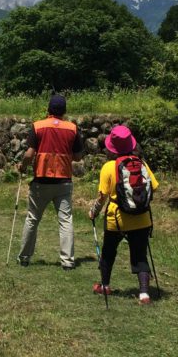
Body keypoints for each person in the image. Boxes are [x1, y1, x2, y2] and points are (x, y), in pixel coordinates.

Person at [88, 125, 159, 304]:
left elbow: (102, 197)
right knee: (140, 254)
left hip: (116, 220)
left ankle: (105, 285)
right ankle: (144, 293)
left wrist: (93, 212)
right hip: (142, 218)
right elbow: (154, 188)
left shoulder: (109, 167)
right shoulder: (141, 164)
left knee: (109, 251)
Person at [17, 95, 85, 270]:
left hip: (41, 180)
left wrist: (23, 167)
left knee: (32, 218)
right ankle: (68, 261)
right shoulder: (72, 129)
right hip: (63, 180)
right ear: (64, 111)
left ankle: (24, 257)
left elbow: (29, 154)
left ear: (48, 110)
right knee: (65, 220)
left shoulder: (38, 126)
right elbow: (78, 156)